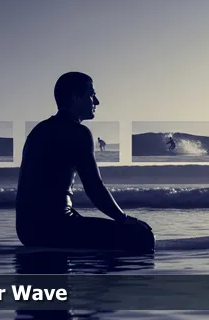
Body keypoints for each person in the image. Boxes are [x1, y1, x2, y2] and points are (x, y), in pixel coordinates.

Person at [16, 72, 154, 253]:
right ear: (76, 97)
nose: (96, 102)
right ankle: (104, 280)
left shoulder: (39, 129)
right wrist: (124, 219)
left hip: (26, 230)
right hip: (55, 228)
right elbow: (94, 187)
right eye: (91, 94)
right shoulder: (78, 132)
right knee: (143, 236)